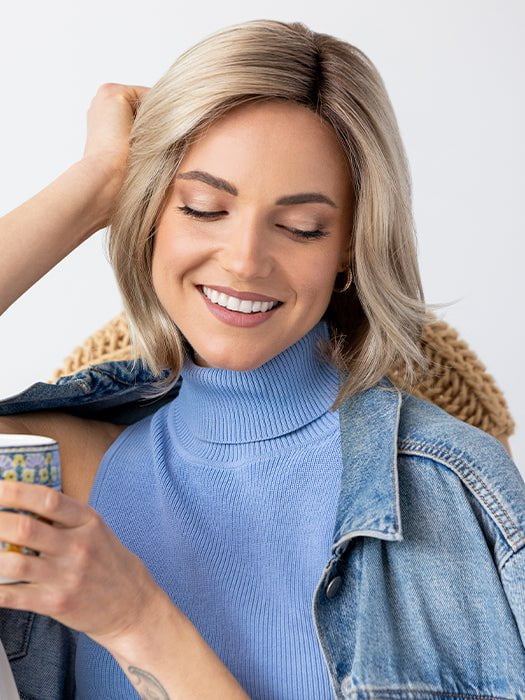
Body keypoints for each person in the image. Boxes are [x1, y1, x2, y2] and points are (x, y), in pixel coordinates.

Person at [0, 17, 524, 700]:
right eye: (202, 207)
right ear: (152, 215)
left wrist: (136, 621)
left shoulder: (452, 493)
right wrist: (96, 184)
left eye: (301, 227)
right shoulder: (62, 470)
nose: (245, 261)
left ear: (349, 245)